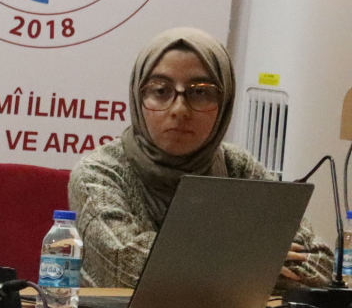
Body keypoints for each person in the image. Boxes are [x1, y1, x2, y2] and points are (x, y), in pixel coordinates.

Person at [71, 27, 334, 289]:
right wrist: (250, 261)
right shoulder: (99, 173)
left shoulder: (238, 168)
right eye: (160, 91)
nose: (179, 109)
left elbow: (319, 263)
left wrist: (210, 264)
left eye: (200, 92)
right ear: (138, 98)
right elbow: (126, 269)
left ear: (225, 101)